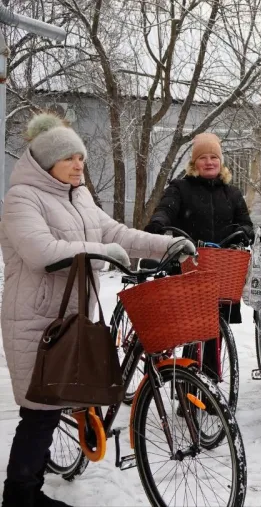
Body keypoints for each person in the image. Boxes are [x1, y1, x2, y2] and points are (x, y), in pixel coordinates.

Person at [0, 113, 195, 507]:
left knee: (55, 404)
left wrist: (164, 245)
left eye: (81, 158)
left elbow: (114, 232)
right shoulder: (22, 199)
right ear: (45, 162)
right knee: (40, 411)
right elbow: (40, 252)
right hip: (36, 320)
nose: (78, 165)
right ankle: (20, 496)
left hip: (74, 316)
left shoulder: (80, 195)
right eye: (69, 158)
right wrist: (101, 253)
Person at [145, 132, 254, 382]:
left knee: (215, 329)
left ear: (221, 162)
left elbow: (246, 223)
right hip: (189, 263)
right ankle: (188, 384)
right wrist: (158, 223)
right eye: (203, 158)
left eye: (214, 157)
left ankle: (212, 383)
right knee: (192, 329)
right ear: (194, 163)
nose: (209, 162)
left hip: (221, 267)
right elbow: (165, 210)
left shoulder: (232, 193)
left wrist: (244, 233)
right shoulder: (180, 188)